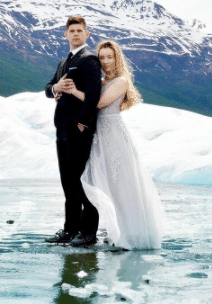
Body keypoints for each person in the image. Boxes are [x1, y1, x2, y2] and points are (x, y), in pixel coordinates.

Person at [61, 40, 166, 250]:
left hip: (115, 136)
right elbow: (87, 99)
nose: (106, 61)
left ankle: (130, 235)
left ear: (117, 58)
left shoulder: (121, 81)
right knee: (103, 184)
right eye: (102, 57)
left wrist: (74, 92)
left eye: (110, 57)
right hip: (98, 135)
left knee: (121, 186)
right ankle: (107, 231)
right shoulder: (99, 81)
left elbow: (97, 103)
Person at [44, 16, 102, 247]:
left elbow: (94, 95)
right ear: (66, 34)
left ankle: (88, 233)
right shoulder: (62, 63)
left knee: (82, 180)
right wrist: (55, 88)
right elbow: (48, 88)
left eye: (80, 30)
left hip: (79, 130)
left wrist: (83, 124)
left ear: (87, 34)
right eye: (72, 30)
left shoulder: (90, 60)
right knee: (67, 181)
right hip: (62, 130)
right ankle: (70, 230)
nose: (76, 34)